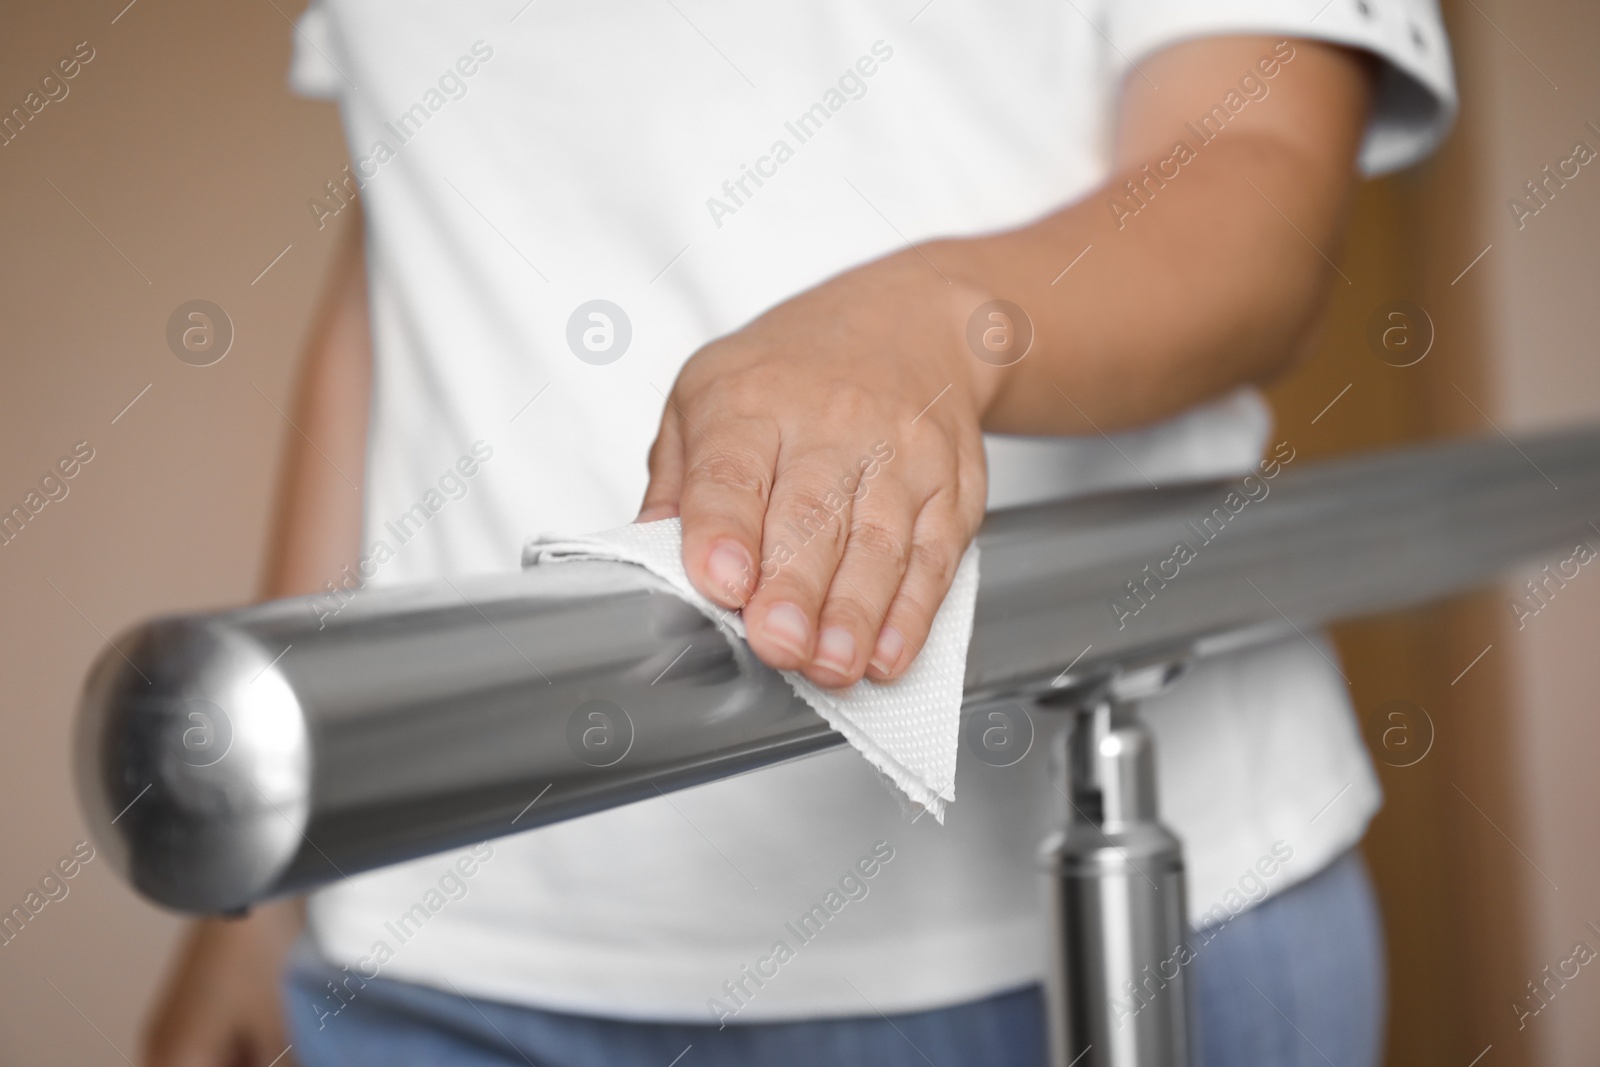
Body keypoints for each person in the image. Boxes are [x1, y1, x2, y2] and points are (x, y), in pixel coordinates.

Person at [142, 2, 1456, 1065]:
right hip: (442, 946)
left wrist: (940, 323)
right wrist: (265, 887)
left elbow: (1258, 174)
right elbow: (412, 255)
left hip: (1084, 918)